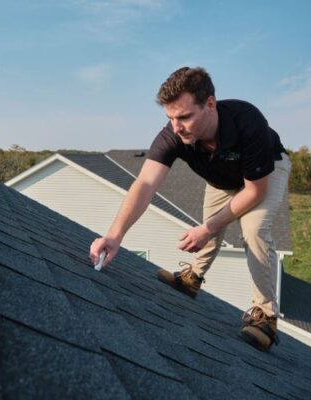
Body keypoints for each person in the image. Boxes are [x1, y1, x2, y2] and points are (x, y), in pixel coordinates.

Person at [89, 66, 291, 351]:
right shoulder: (173, 136)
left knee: (253, 229)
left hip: (264, 173)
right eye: (170, 118)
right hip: (222, 178)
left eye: (184, 117)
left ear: (210, 104)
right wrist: (115, 235)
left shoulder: (247, 120)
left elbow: (255, 191)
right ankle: (192, 279)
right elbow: (145, 184)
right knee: (210, 224)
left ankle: (266, 318)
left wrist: (209, 229)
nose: (176, 126)